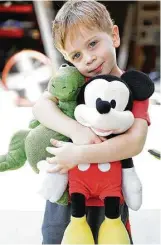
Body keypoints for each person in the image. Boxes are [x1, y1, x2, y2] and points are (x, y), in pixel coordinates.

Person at [33, 0, 150, 244]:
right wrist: (76, 131)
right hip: (66, 195)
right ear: (67, 58)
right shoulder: (73, 79)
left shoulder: (131, 87)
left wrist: (80, 154)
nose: (88, 59)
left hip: (111, 199)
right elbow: (41, 106)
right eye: (76, 55)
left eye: (93, 44)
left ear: (114, 36)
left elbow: (135, 142)